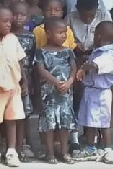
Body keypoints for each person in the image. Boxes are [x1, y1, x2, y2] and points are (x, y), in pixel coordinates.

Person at [67, 0, 111, 152]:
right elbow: (65, 38)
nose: (87, 19)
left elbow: (110, 41)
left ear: (97, 9)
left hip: (97, 61)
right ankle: (74, 136)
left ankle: (93, 136)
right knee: (77, 98)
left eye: (91, 15)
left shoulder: (104, 16)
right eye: (84, 15)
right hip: (76, 58)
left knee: (96, 104)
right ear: (77, 9)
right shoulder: (71, 17)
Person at [0, 4, 26, 168]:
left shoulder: (13, 39)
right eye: (5, 21)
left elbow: (20, 61)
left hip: (14, 88)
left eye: (10, 21)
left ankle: (11, 151)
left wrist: (24, 81)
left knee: (12, 120)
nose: (9, 24)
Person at [75, 21, 113, 164]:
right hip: (92, 91)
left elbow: (95, 65)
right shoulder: (99, 50)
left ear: (99, 37)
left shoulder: (107, 54)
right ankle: (90, 147)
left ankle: (107, 149)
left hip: (100, 93)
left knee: (103, 122)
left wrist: (83, 68)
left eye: (94, 34)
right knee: (91, 121)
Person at [35, 17, 77, 164]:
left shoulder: (68, 52)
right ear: (48, 33)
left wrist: (69, 82)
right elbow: (41, 70)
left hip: (65, 94)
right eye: (59, 32)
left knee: (65, 124)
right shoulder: (41, 51)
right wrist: (56, 82)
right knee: (49, 124)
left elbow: (73, 68)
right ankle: (50, 152)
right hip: (49, 95)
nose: (63, 35)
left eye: (64, 32)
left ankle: (64, 152)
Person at [10, 1, 36, 162]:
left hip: (24, 78)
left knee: (23, 114)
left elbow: (32, 61)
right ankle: (9, 146)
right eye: (15, 14)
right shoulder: (6, 35)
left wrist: (29, 81)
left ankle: (22, 146)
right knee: (9, 114)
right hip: (8, 78)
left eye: (23, 15)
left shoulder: (30, 37)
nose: (19, 18)